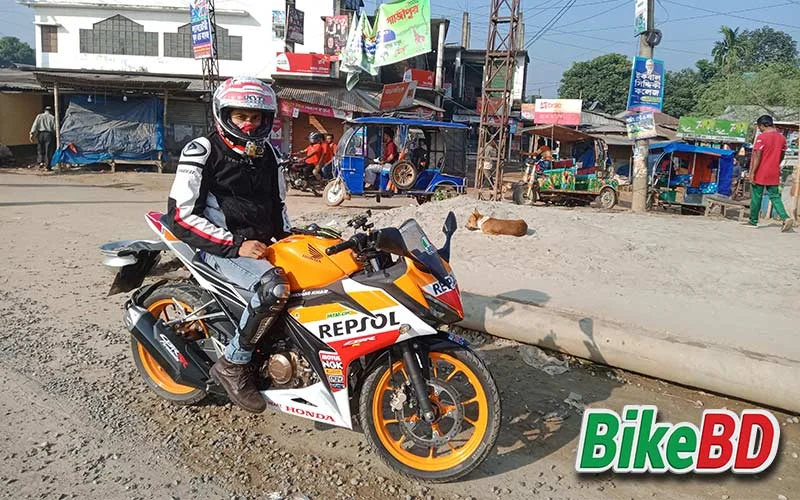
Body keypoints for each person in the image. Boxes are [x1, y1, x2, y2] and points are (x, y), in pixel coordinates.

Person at [165, 76, 292, 413]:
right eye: (241, 117)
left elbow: (278, 208)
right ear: (224, 115)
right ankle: (233, 363)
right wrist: (236, 244)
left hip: (257, 244)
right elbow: (181, 216)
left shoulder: (269, 155)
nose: (249, 124)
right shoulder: (202, 150)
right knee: (274, 288)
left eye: (256, 117)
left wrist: (295, 238)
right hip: (216, 245)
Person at [748, 115, 794, 232]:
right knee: (774, 196)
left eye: (760, 127)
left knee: (756, 196)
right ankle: (786, 217)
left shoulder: (761, 138)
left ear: (762, 125)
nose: (760, 129)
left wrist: (752, 173)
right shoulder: (782, 138)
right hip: (774, 171)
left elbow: (758, 156)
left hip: (761, 171)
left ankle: (753, 220)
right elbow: (782, 155)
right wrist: (776, 164)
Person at [29, 106, 56, 170]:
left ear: (44, 110)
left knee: (40, 148)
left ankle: (40, 162)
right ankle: (47, 166)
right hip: (48, 134)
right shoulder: (53, 117)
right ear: (51, 111)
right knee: (48, 150)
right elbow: (55, 128)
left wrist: (31, 134)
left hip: (40, 134)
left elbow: (35, 125)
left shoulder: (39, 116)